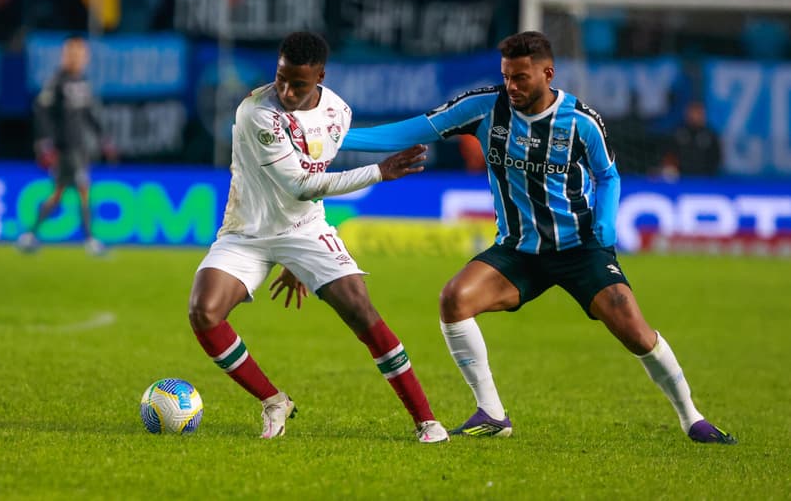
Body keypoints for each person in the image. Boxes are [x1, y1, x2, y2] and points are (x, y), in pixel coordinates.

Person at [335, 30, 736, 444]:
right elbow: (415, 129)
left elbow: (608, 175)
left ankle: (692, 418)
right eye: (507, 76)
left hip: (580, 248)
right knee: (454, 300)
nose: (512, 86)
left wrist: (607, 220)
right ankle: (491, 413)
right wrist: (337, 139)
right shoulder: (484, 107)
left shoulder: (581, 121)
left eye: (521, 78)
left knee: (634, 329)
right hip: (518, 251)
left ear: (548, 74)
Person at [187, 31, 448, 443]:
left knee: (361, 309)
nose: (287, 91)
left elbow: (314, 181)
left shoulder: (338, 112)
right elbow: (301, 183)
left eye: (299, 84)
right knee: (204, 312)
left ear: (321, 77)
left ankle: (427, 420)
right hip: (247, 231)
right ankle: (274, 400)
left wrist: (298, 261)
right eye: (281, 78)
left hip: (305, 229)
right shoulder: (255, 111)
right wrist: (380, 171)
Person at [16, 36, 116, 256]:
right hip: (66, 147)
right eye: (77, 54)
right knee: (83, 190)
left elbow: (89, 114)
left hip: (80, 146)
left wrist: (103, 137)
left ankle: (29, 235)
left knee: (59, 193)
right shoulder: (58, 81)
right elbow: (42, 110)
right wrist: (45, 142)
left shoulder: (82, 82)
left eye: (82, 55)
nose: (80, 58)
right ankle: (90, 240)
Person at [665, 100, 722, 177]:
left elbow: (716, 157)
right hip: (681, 178)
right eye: (692, 112)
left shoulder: (710, 135)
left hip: (705, 178)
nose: (695, 116)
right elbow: (670, 154)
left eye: (698, 113)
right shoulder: (678, 132)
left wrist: (709, 174)